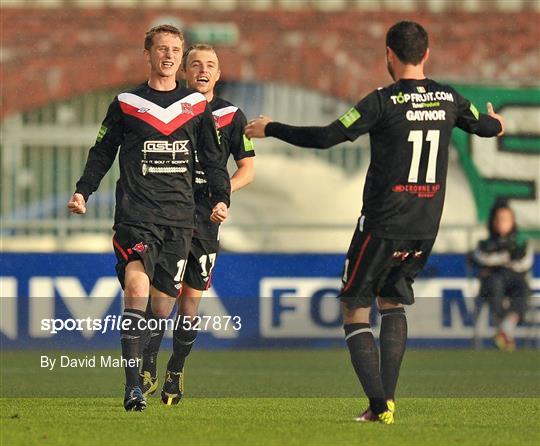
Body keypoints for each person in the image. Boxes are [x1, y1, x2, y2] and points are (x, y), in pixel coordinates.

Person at [245, 21, 504, 424]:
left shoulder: (382, 101)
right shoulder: (449, 98)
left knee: (354, 305)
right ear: (427, 54)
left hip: (383, 222)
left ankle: (380, 404)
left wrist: (271, 128)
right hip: (425, 223)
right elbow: (485, 126)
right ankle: (386, 401)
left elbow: (328, 137)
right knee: (393, 301)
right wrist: (497, 122)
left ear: (389, 55)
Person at [67, 25, 231, 411]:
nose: (169, 55)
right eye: (162, 49)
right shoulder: (126, 102)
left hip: (179, 220)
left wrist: (221, 197)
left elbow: (212, 159)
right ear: (149, 54)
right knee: (136, 287)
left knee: (161, 307)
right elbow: (102, 151)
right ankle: (132, 389)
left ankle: (147, 364)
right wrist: (82, 190)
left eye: (175, 49)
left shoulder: (195, 105)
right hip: (135, 214)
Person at [138, 44, 255, 405]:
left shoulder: (231, 114)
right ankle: (147, 366)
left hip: (206, 220)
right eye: (195, 64)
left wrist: (222, 195)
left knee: (190, 305)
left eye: (211, 65)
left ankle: (176, 369)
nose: (203, 70)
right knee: (161, 303)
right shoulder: (172, 110)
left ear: (219, 75)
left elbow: (248, 169)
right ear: (185, 73)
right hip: (170, 215)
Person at [470, 201, 533, 351]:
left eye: (506, 219)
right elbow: (480, 258)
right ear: (493, 222)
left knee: (523, 288)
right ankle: (505, 333)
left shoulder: (521, 242)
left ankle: (504, 330)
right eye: (498, 219)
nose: (502, 223)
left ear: (513, 221)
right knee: (495, 283)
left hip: (515, 282)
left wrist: (499, 261)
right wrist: (505, 258)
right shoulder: (485, 243)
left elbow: (525, 263)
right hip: (492, 283)